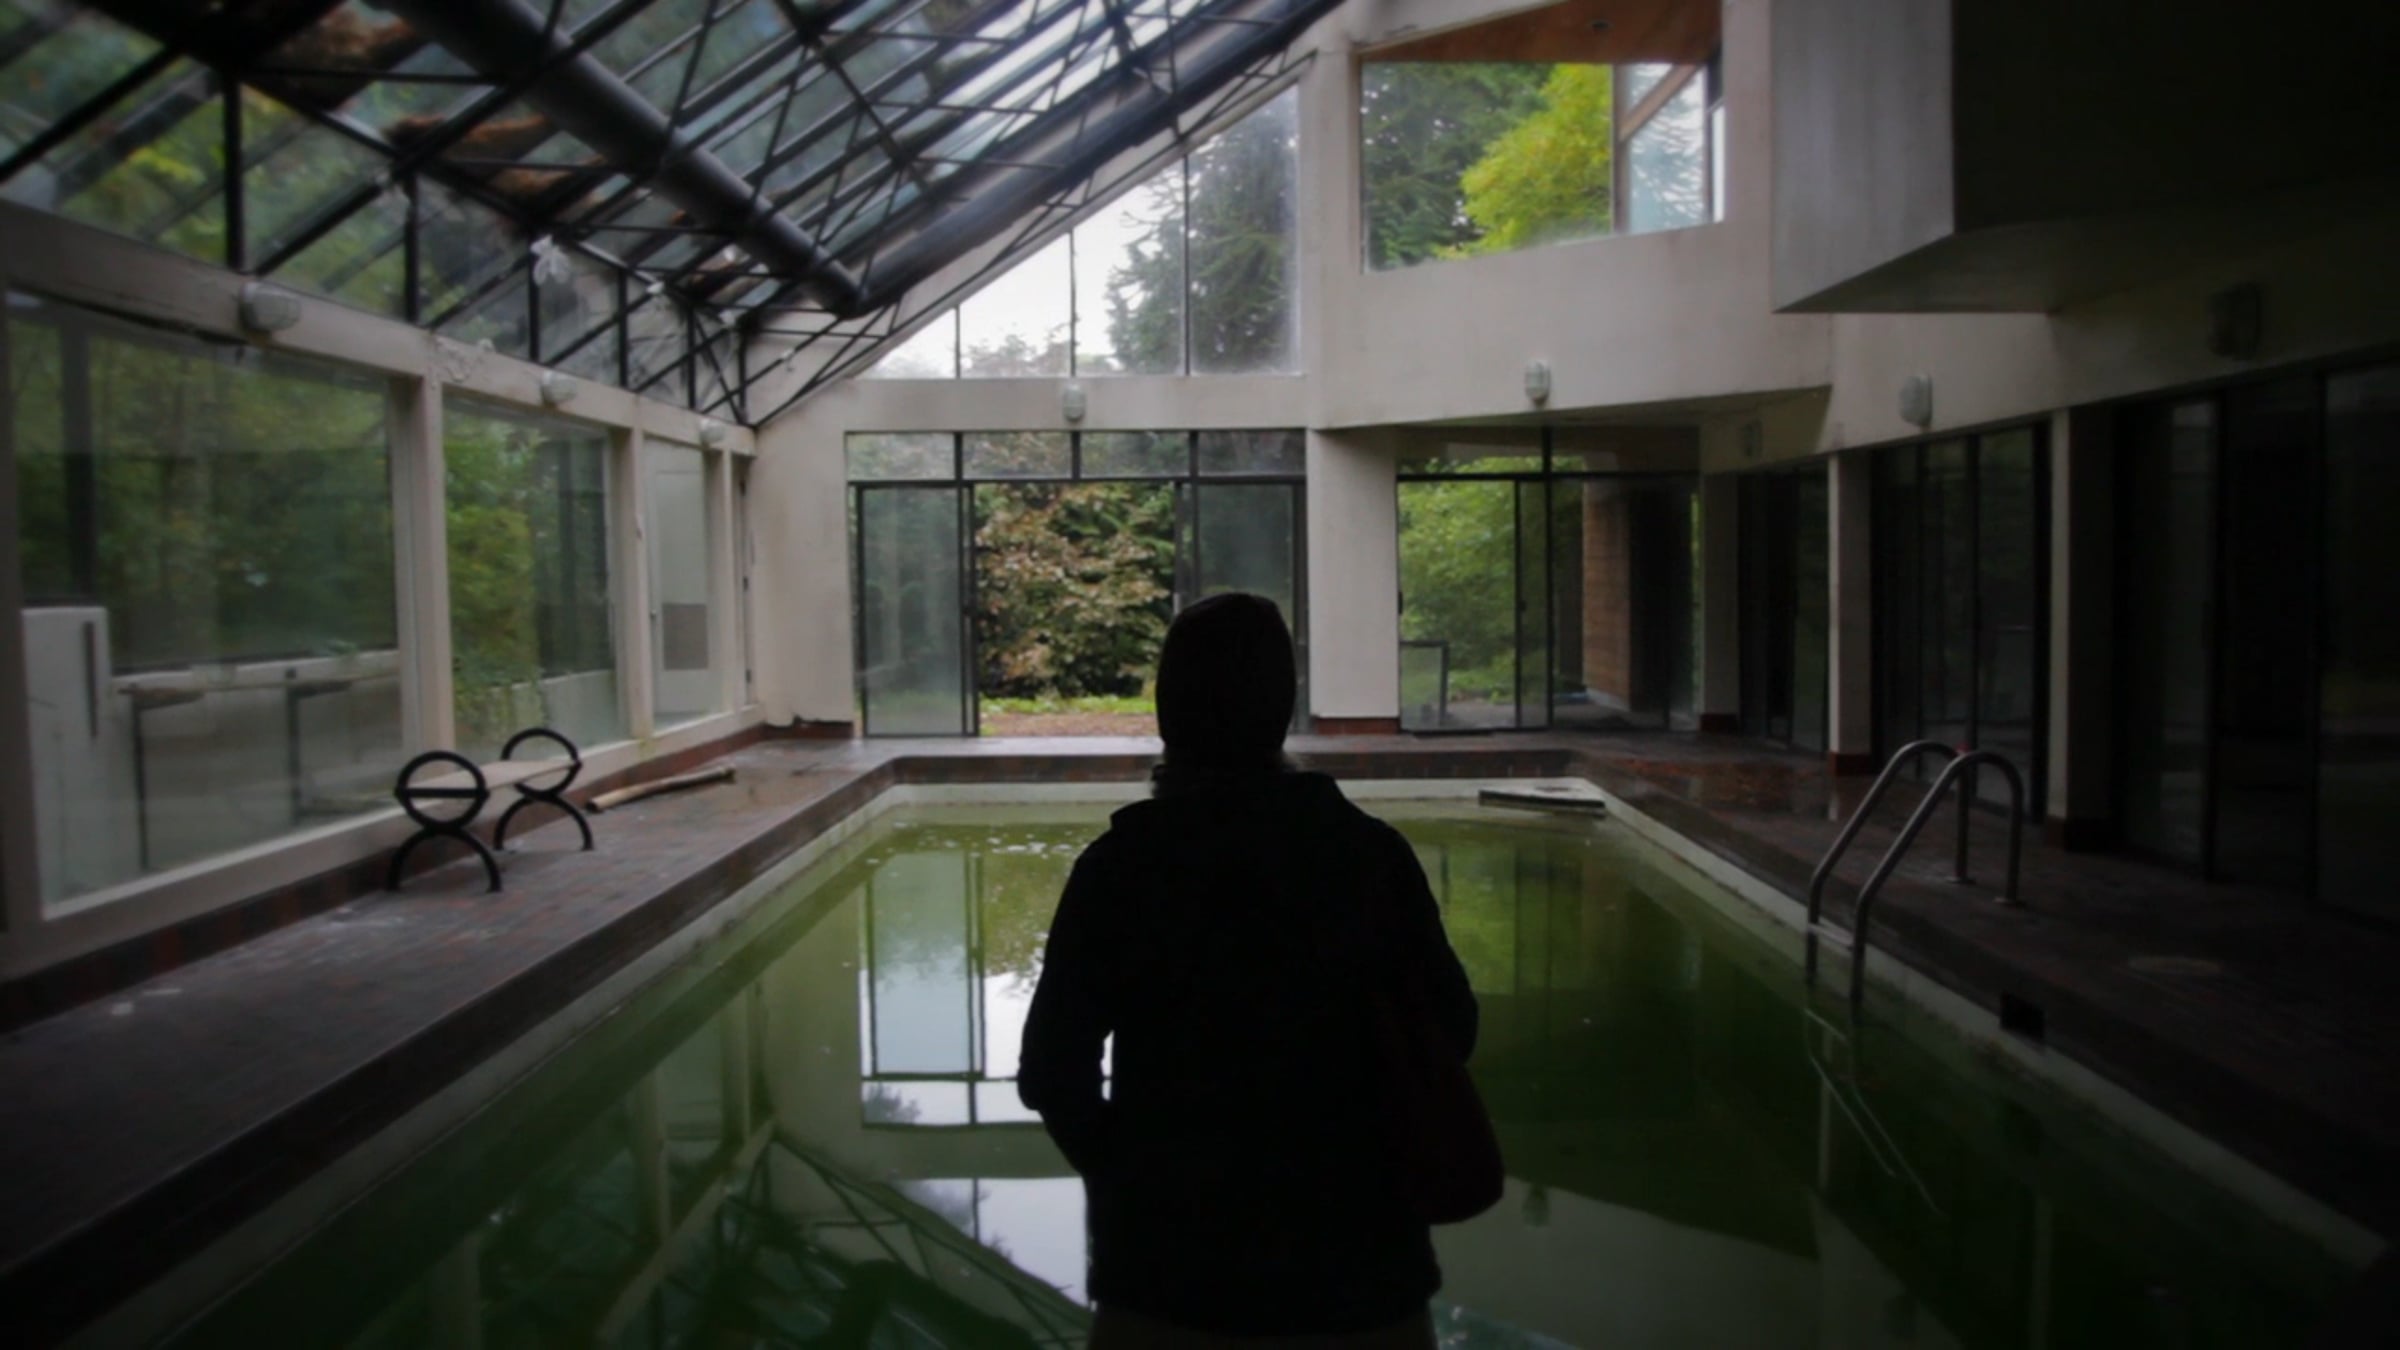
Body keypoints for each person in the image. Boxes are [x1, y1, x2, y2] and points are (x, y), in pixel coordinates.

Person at [1018, 592, 1479, 1348]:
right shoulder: (1367, 857)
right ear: (1281, 708)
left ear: (1169, 712)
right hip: (1359, 1270)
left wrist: (1136, 1180)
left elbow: (1051, 1071)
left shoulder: (1124, 868)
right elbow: (1451, 1027)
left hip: (1169, 1281)